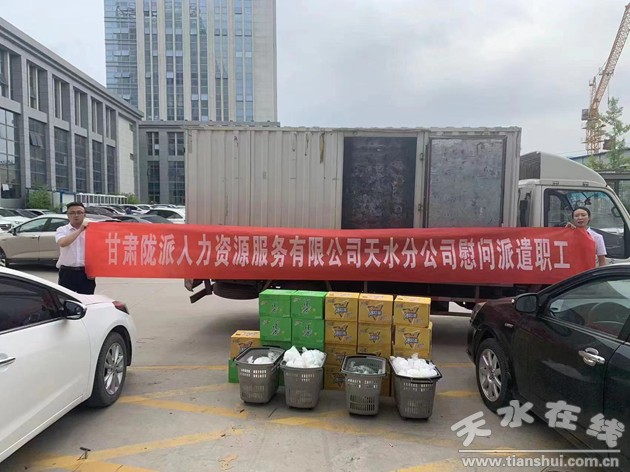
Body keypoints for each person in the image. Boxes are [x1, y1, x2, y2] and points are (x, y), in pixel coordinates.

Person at [55, 202, 96, 294]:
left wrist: (94, 270)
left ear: (84, 214)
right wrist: (80, 229)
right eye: (72, 213)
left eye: (79, 212)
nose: (76, 215)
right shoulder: (62, 230)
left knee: (86, 300)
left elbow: (97, 251)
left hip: (86, 273)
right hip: (67, 273)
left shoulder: (93, 231)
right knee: (66, 300)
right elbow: (63, 243)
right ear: (68, 215)